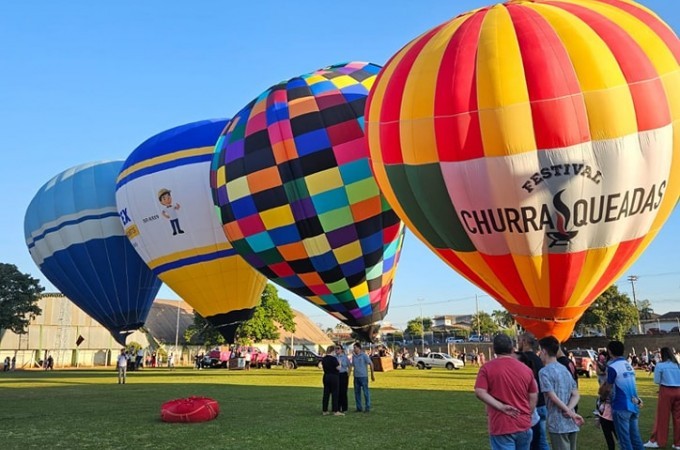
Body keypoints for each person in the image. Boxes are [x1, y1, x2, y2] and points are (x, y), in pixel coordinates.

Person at [474, 334, 538, 450]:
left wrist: (501, 407)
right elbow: (533, 394)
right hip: (523, 424)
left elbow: (479, 391)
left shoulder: (487, 368)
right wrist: (528, 413)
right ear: (512, 348)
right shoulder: (526, 370)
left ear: (494, 349)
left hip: (501, 425)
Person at [538, 336, 584, 450]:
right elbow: (576, 394)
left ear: (544, 351)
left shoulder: (544, 372)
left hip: (557, 423)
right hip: (571, 422)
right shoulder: (564, 369)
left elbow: (552, 396)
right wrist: (570, 410)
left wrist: (568, 411)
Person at [602, 340, 644, 450]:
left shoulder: (612, 367)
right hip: (633, 403)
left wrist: (602, 397)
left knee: (624, 441)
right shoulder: (628, 365)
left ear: (610, 352)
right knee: (635, 439)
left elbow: (608, 388)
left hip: (621, 406)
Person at [516, 332, 549, 450]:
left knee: (534, 442)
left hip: (532, 406)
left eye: (519, 340)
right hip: (542, 403)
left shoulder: (523, 359)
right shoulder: (538, 359)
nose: (518, 343)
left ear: (524, 342)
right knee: (541, 440)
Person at [643, 347, 680, 449]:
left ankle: (659, 441)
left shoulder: (661, 365)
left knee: (662, 417)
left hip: (666, 390)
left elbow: (657, 381)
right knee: (678, 418)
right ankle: (678, 443)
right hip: (678, 390)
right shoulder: (677, 365)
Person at [350, 342, 375, 413]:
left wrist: (372, 374)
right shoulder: (353, 356)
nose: (354, 349)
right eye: (353, 348)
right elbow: (352, 365)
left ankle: (367, 407)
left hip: (363, 377)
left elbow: (371, 363)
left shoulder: (364, 355)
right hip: (356, 377)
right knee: (357, 393)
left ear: (359, 348)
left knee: (366, 392)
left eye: (355, 347)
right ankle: (359, 407)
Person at [321, 345, 343, 416]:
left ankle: (325, 410)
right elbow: (338, 368)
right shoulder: (333, 359)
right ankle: (335, 410)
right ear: (332, 351)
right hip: (334, 377)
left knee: (326, 393)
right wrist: (340, 363)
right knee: (335, 393)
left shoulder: (324, 359)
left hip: (326, 376)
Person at [335, 345, 350, 413]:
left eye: (338, 348)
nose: (336, 350)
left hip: (343, 375)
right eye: (336, 349)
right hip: (337, 375)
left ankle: (344, 408)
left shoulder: (345, 357)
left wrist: (348, 374)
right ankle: (337, 407)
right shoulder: (334, 357)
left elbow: (349, 366)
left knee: (343, 392)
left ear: (341, 350)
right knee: (337, 391)